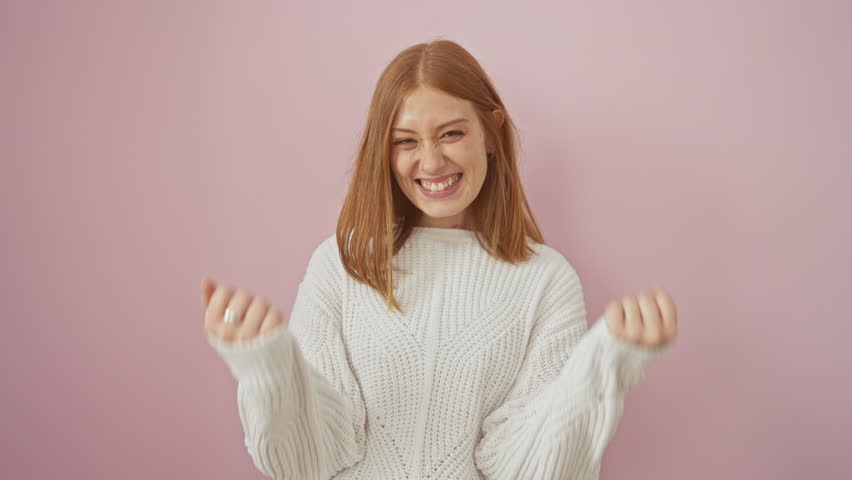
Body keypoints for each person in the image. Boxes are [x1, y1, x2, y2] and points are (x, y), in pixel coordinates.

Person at [201, 39, 678, 480]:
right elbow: (308, 458)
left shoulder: (546, 282)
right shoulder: (341, 264)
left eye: (451, 133)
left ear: (492, 132)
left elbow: (529, 467)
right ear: (384, 154)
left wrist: (608, 362)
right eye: (406, 141)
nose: (430, 163)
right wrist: (266, 364)